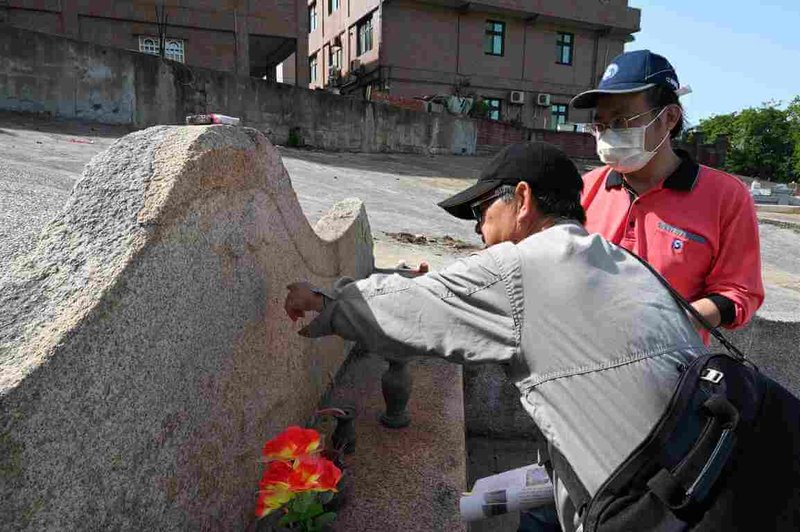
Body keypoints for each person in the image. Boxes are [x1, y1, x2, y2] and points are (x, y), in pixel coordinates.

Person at [284, 142, 708, 532]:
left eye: (480, 210)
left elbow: (409, 306)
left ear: (522, 200)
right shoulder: (623, 261)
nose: (477, 229)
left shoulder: (521, 265)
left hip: (639, 510)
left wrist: (324, 301)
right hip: (699, 481)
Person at [571, 50, 764, 343]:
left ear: (669, 117)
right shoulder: (585, 189)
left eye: (621, 121)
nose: (608, 135)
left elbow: (739, 292)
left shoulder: (726, 197)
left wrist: (674, 321)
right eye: (600, 125)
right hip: (582, 356)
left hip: (669, 361)